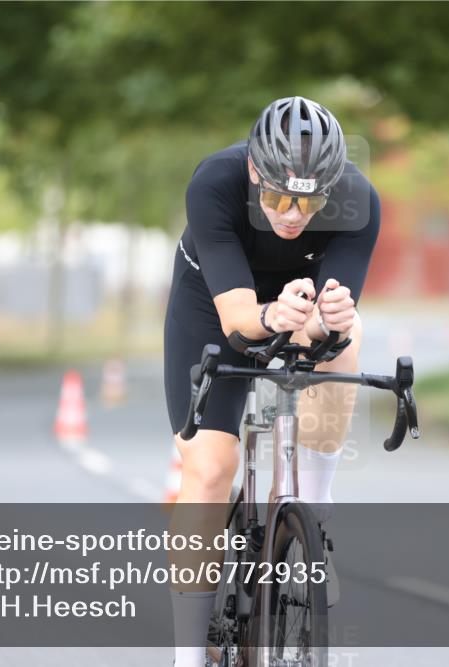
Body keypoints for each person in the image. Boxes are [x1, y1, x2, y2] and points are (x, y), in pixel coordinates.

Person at [163, 96, 380, 667]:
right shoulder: (216, 181)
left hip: (298, 300)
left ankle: (311, 505)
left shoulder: (358, 200)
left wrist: (324, 318)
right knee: (209, 469)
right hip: (214, 304)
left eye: (309, 201)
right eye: (280, 197)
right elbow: (238, 322)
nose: (292, 214)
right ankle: (188, 655)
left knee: (348, 332)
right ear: (256, 171)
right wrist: (270, 317)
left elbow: (329, 319)